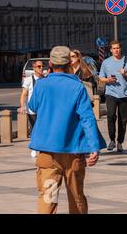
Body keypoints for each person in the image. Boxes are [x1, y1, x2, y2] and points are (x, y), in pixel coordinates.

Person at [28, 46, 106, 214]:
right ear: (69, 64)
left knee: (48, 198)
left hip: (47, 153)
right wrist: (94, 147)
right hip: (73, 152)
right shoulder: (77, 87)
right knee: (76, 197)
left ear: (50, 63)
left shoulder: (41, 85)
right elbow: (87, 118)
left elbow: (32, 106)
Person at [99, 41, 127, 153]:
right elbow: (101, 77)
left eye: (117, 48)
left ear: (120, 49)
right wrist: (108, 80)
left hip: (124, 94)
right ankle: (112, 140)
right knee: (111, 116)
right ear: (110, 50)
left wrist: (126, 73)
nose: (116, 50)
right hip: (111, 93)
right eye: (113, 48)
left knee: (123, 120)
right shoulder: (106, 62)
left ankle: (120, 142)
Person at [18, 60, 45, 158]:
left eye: (42, 66)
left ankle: (41, 147)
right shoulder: (29, 80)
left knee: (42, 128)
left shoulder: (45, 79)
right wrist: (22, 106)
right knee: (34, 129)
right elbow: (24, 94)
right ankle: (34, 148)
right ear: (34, 68)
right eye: (39, 66)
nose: (41, 68)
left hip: (43, 109)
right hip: (32, 109)